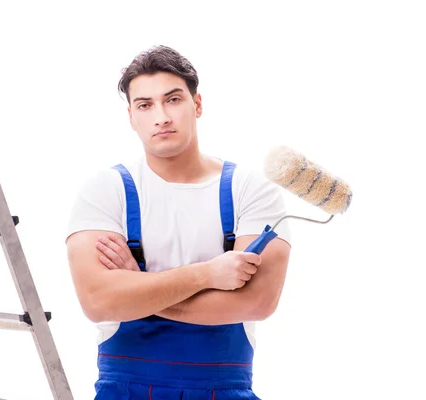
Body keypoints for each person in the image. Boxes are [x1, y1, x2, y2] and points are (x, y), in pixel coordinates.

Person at [65, 45, 292, 400]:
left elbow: (258, 302)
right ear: (131, 116)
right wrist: (207, 275)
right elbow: (99, 301)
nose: (161, 116)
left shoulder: (250, 190)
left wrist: (139, 287)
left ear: (196, 105)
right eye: (145, 105)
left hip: (224, 390)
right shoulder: (106, 191)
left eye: (173, 99)